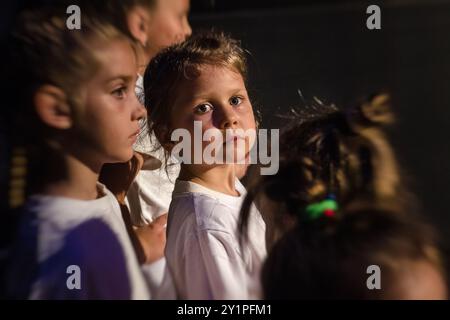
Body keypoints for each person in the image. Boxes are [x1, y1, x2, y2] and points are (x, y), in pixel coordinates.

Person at [4, 6, 149, 299]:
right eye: (119, 90)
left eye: (134, 88)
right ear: (57, 108)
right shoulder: (65, 248)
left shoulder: (99, 196)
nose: (140, 110)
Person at [143, 31, 266, 299]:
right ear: (167, 136)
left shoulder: (231, 188)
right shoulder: (205, 225)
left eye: (235, 100)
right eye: (204, 108)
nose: (229, 118)